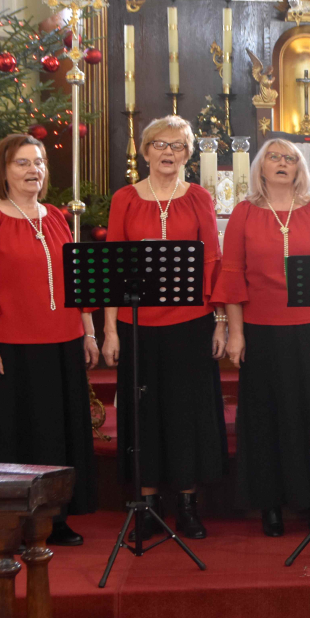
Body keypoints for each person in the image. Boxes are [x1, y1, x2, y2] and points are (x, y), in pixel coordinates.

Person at [0, 134, 99, 546]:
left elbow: (77, 280)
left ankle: (55, 519)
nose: (34, 170)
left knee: (58, 435)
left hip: (63, 342)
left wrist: (88, 332)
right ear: (5, 171)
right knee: (14, 436)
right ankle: (9, 521)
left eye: (40, 162)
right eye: (23, 163)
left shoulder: (56, 217)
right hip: (10, 347)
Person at [213, 138, 310, 537]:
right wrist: (236, 333)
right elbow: (232, 275)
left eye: (290, 158)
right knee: (265, 417)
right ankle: (270, 504)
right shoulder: (244, 212)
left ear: (299, 168)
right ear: (261, 166)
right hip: (262, 329)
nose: (282, 163)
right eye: (274, 157)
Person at [102, 116, 227, 541]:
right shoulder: (124, 199)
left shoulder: (199, 198)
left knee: (187, 413)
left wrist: (220, 321)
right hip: (136, 323)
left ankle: (188, 505)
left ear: (188, 154)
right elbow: (113, 266)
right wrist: (110, 330)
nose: (168, 152)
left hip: (191, 324)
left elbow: (212, 261)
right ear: (145, 150)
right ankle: (147, 505)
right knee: (143, 414)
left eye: (177, 146)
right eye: (160, 144)